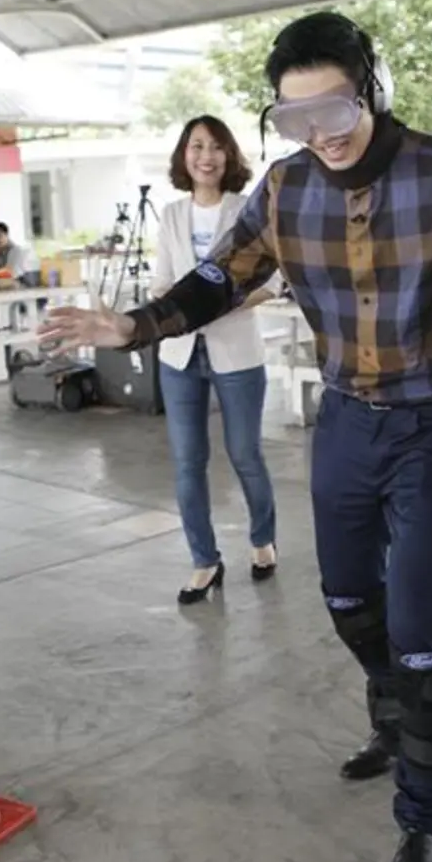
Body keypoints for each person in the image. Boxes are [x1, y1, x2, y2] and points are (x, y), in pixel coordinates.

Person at [39, 11, 432, 862]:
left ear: (371, 91)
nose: (321, 132)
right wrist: (132, 327)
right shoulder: (281, 189)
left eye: (337, 107)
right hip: (346, 419)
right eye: (294, 117)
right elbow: (218, 279)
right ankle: (396, 719)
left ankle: (423, 822)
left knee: (420, 617)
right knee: (349, 601)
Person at [153, 115, 279, 605]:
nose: (206, 156)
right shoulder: (170, 215)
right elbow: (162, 282)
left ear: (230, 156)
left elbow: (271, 282)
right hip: (179, 353)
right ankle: (204, 561)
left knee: (246, 454)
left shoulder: (249, 211)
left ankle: (262, 541)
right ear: (184, 155)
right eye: (197, 146)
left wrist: (221, 302)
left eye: (216, 147)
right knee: (188, 463)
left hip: (237, 350)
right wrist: (163, 308)